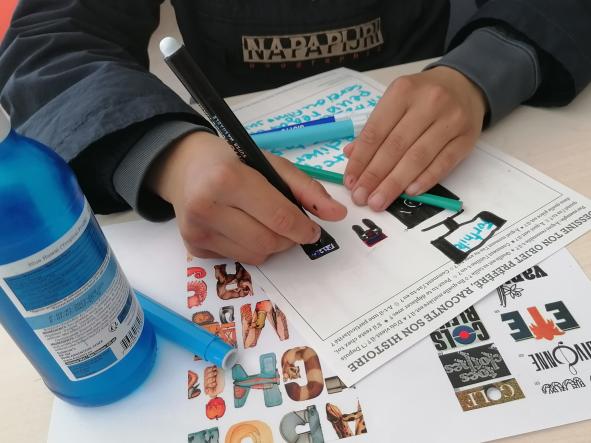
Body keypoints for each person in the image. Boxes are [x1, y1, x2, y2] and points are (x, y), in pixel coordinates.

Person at [1, 0, 589, 264]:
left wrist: (487, 67)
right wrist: (164, 151)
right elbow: (48, 38)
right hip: (236, 141)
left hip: (449, 124)